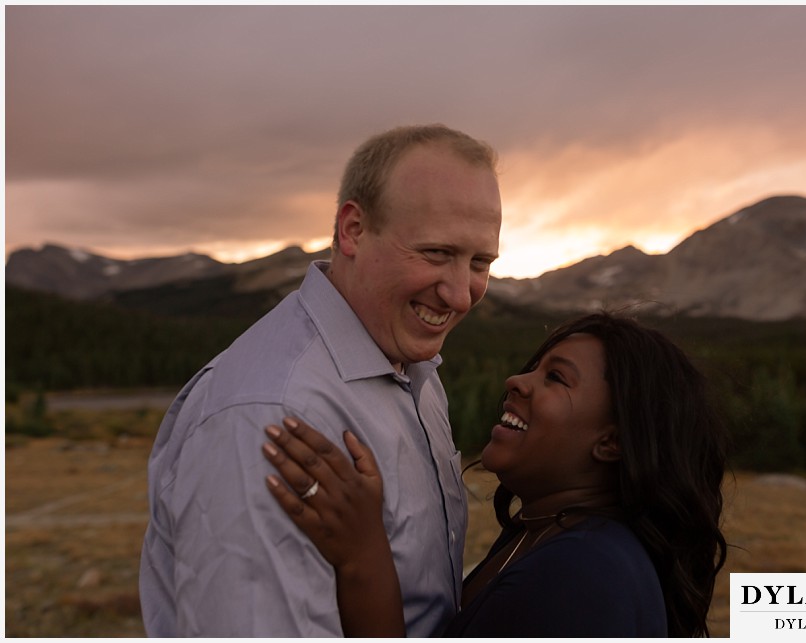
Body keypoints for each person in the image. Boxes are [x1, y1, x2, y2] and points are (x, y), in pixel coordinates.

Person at [138, 124, 502, 636]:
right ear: (352, 229)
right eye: (437, 253)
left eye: (480, 261)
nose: (462, 295)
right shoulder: (270, 416)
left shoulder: (412, 367)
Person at [263, 312, 729, 637]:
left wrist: (362, 556)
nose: (517, 381)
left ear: (613, 442)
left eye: (556, 378)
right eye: (535, 368)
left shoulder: (583, 578)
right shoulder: (543, 534)